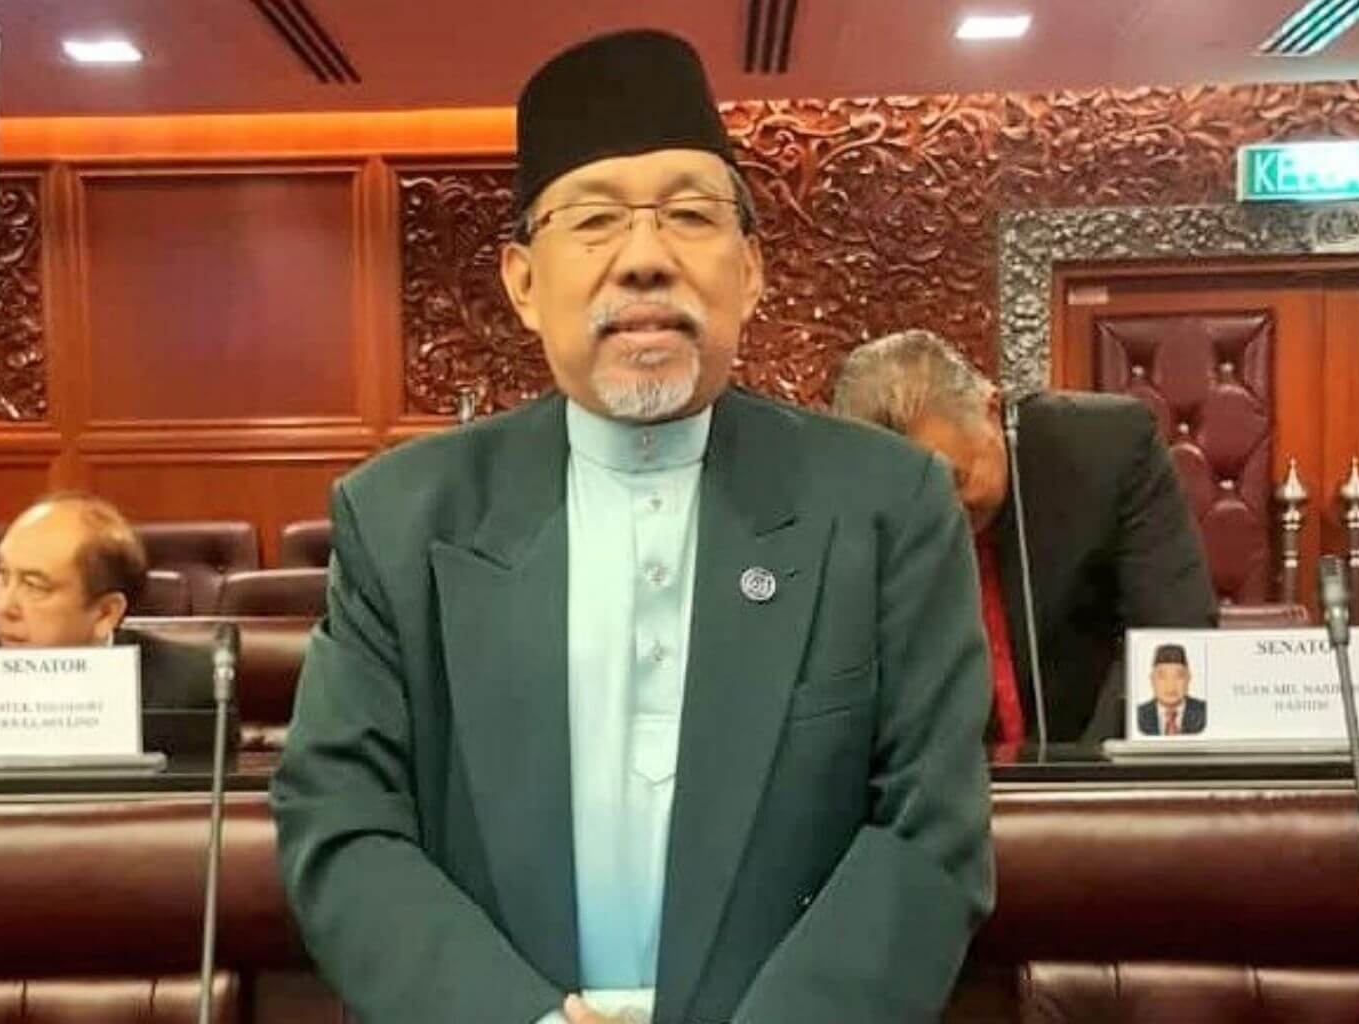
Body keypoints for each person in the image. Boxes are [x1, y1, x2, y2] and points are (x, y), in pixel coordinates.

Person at [273, 30, 993, 1024]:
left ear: (751, 270)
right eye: (595, 219)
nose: (646, 258)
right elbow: (340, 821)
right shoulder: (401, 521)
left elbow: (930, 830)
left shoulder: (888, 505)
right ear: (524, 283)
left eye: (690, 215)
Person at [832, 329, 1217, 744]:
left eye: (955, 481)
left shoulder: (1108, 449)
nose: (942, 513)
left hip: (1087, 754)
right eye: (909, 499)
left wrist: (1090, 771)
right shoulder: (844, 506)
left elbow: (1175, 630)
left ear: (990, 411)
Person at [0, 493, 230, 743]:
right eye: (3, 575)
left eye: (34, 586)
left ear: (105, 614)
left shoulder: (188, 689)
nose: (4, 607)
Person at [1137, 643, 1206, 736]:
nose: (1170, 685)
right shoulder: (1137, 715)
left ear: (1188, 678)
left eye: (1179, 676)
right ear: (1152, 680)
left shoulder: (1205, 712)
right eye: (1162, 677)